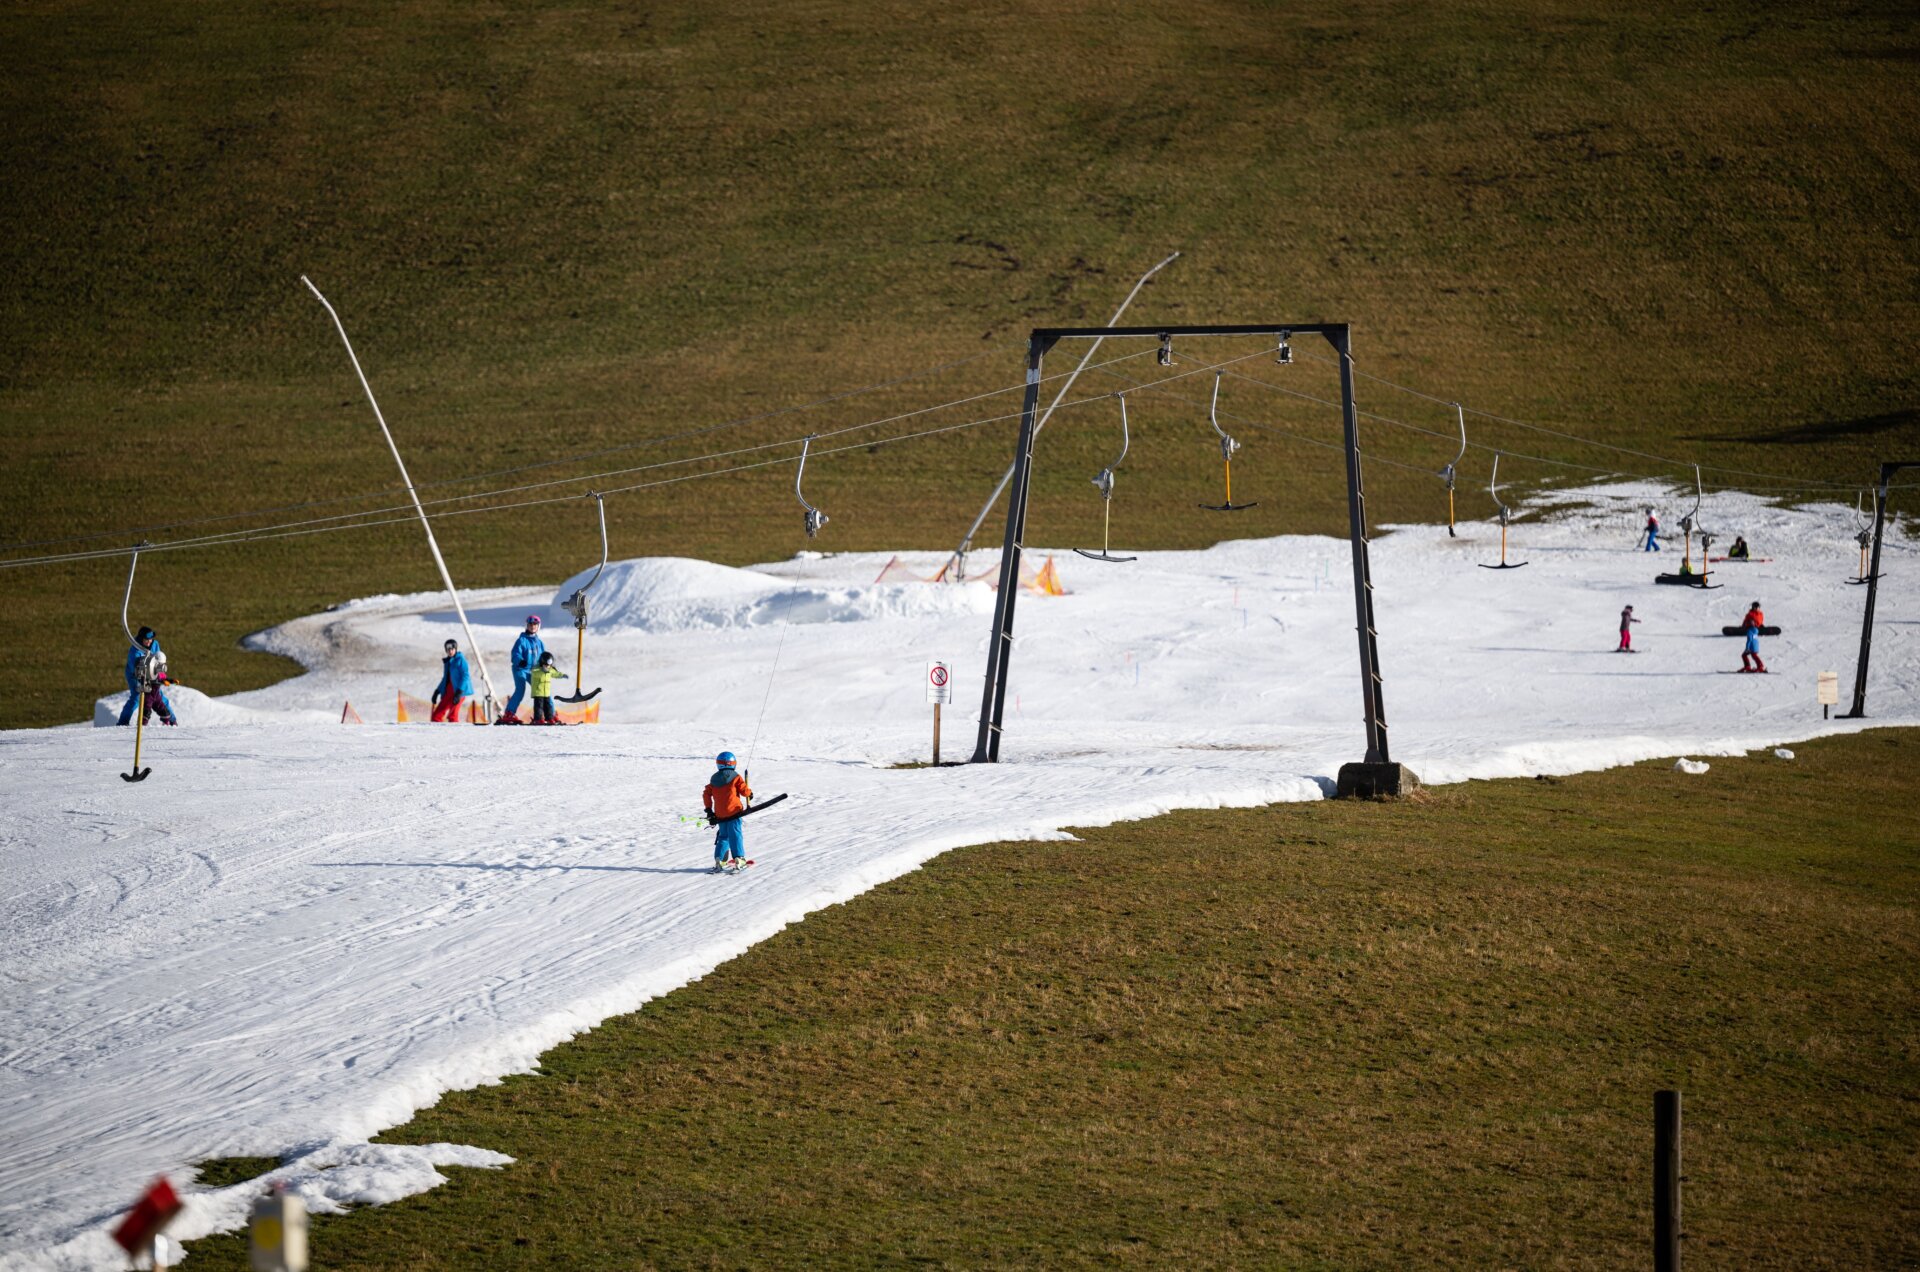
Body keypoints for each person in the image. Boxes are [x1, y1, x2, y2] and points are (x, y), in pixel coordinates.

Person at [703, 750, 754, 872]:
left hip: (720, 815)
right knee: (735, 835)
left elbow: (706, 794)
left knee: (723, 836)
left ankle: (720, 860)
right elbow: (744, 790)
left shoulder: (714, 779)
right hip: (734, 813)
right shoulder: (735, 777)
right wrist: (749, 793)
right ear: (733, 763)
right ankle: (739, 859)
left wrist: (709, 810)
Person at [117, 626, 174, 726]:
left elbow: (158, 663)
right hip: (135, 675)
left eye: (151, 639)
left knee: (159, 696)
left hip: (152, 674)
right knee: (137, 697)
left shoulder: (155, 644)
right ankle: (123, 722)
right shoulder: (134, 651)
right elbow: (136, 670)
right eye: (146, 640)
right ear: (140, 638)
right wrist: (145, 682)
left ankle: (172, 720)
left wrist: (161, 678)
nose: (149, 642)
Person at [499, 615, 545, 724]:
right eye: (530, 624)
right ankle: (509, 713)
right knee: (520, 689)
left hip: (533, 671)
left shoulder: (539, 643)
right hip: (520, 669)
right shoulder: (521, 640)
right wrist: (520, 661)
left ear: (538, 626)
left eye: (535, 624)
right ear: (527, 626)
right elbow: (515, 654)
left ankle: (544, 715)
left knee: (541, 689)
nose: (532, 626)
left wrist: (547, 664)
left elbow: (544, 657)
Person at [431, 638, 473, 723]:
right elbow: (445, 678)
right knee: (436, 716)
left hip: (458, 691)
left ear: (456, 649)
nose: (450, 651)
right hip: (449, 691)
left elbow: (465, 676)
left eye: (452, 649)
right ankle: (437, 734)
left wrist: (459, 691)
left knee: (452, 716)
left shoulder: (460, 659)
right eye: (448, 649)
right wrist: (437, 691)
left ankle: (455, 734)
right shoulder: (448, 662)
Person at [527, 651, 568, 725]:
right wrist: (542, 671)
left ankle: (549, 718)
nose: (547, 666)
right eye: (545, 665)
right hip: (538, 692)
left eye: (548, 665)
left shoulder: (550, 669)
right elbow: (534, 672)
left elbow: (555, 673)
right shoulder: (536, 669)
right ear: (542, 662)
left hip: (546, 693)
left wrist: (562, 675)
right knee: (539, 706)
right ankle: (538, 719)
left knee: (548, 706)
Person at [1740, 600, 1767, 673]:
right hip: (1755, 644)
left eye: (1758, 607)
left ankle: (1754, 666)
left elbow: (1749, 639)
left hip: (1752, 645)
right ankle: (1756, 666)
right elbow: (1746, 620)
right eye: (1756, 607)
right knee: (1752, 655)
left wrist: (1747, 648)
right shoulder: (1751, 614)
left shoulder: (1759, 614)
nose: (1757, 608)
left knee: (1747, 655)